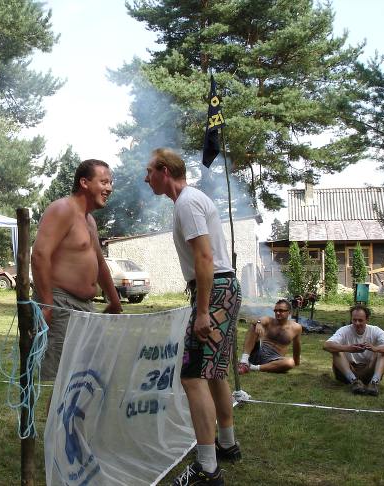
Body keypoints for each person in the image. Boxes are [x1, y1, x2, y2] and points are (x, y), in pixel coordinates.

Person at [144, 148, 241, 486]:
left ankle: (207, 468)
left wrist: (202, 312)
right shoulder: (189, 200)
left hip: (214, 291)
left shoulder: (187, 202)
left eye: (149, 172)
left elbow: (204, 257)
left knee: (192, 376)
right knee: (214, 372)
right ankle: (226, 444)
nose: (146, 178)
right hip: (223, 288)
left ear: (164, 171)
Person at [31, 159, 122, 383]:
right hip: (60, 304)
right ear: (84, 182)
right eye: (104, 182)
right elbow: (39, 255)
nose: (109, 188)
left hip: (86, 307)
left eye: (110, 183)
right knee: (62, 381)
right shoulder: (62, 209)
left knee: (87, 376)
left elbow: (99, 263)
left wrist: (114, 299)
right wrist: (47, 305)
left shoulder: (89, 220)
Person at [323, 304, 384, 396]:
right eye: (354, 320)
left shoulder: (375, 330)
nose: (357, 323)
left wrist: (375, 348)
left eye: (360, 320)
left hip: (368, 370)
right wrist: (348, 348)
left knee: (382, 352)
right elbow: (326, 345)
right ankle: (354, 381)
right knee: (336, 350)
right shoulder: (344, 330)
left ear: (367, 319)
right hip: (348, 370)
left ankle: (374, 383)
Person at [238, 299, 302, 374]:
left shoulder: (296, 328)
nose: (277, 313)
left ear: (289, 312)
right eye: (275, 310)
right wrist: (259, 323)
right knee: (254, 326)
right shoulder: (269, 320)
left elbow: (296, 345)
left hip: (274, 359)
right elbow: (259, 319)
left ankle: (252, 367)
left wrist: (296, 362)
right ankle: (244, 361)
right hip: (258, 353)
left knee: (290, 362)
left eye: (281, 310)